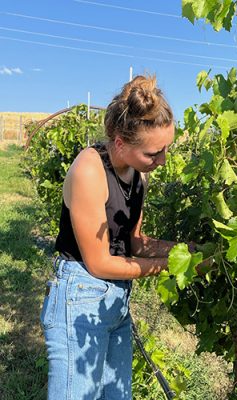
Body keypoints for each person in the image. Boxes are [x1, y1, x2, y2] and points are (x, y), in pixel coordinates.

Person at [40, 75, 185, 400]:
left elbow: (133, 241)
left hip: (116, 303)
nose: (162, 161)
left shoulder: (139, 177)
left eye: (165, 150)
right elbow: (100, 262)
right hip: (80, 300)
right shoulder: (88, 171)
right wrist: (168, 265)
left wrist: (185, 252)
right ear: (120, 143)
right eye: (153, 153)